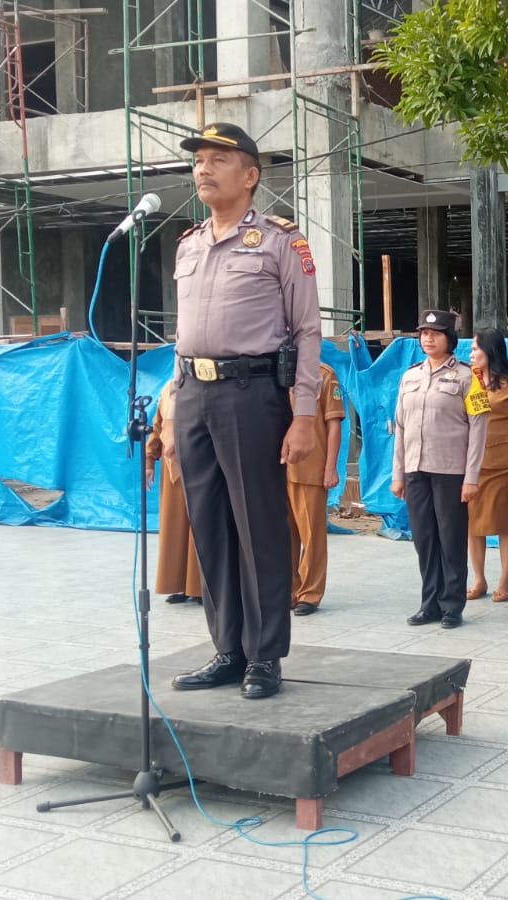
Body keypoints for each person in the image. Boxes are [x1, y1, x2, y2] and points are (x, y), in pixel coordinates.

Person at [168, 122, 323, 701]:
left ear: (251, 175)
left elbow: (307, 332)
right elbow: (185, 335)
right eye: (199, 161)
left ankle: (264, 656)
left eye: (218, 160)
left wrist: (303, 415)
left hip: (251, 394)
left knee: (257, 525)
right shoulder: (187, 244)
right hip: (193, 394)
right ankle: (228, 648)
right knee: (208, 525)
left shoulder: (284, 243)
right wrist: (171, 397)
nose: (203, 169)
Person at [393, 310, 487, 629]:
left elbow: (479, 428)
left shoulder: (468, 377)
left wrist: (471, 477)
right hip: (416, 470)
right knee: (424, 538)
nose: (428, 338)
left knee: (451, 538)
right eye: (424, 333)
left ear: (450, 339)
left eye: (435, 333)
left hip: (451, 472)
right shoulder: (410, 376)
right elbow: (401, 428)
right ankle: (429, 603)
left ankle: (451, 605)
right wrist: (398, 474)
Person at [465, 327, 508, 603]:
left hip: (503, 466)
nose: (471, 354)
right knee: (473, 525)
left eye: (475, 349)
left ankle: (505, 579)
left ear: (490, 351)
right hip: (473, 467)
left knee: (504, 524)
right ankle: (478, 578)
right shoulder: (469, 382)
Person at [286, 361, 346, 616]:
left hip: (310, 466)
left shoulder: (323, 374)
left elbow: (333, 425)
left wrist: (330, 467)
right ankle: (286, 591)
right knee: (281, 536)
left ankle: (309, 593)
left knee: (311, 535)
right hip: (277, 468)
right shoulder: (272, 369)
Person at [144, 381, 202, 605]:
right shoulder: (168, 389)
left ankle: (200, 587)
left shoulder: (207, 384)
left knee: (200, 530)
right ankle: (178, 585)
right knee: (174, 530)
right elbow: (158, 427)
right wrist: (149, 460)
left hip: (201, 467)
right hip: (172, 471)